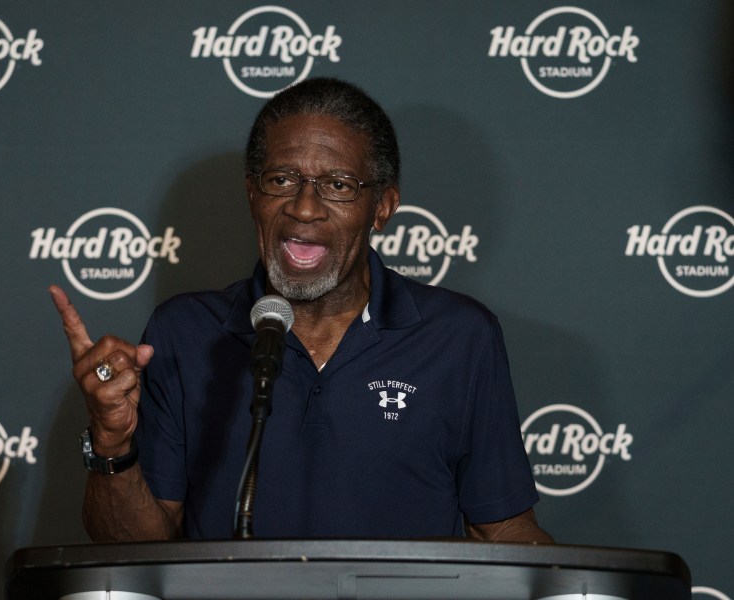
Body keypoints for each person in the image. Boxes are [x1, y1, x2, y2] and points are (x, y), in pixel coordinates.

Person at [50, 77, 552, 544]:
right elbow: (137, 552)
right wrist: (112, 444)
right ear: (252, 195)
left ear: (383, 206)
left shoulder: (459, 337)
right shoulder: (181, 333)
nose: (305, 207)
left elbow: (502, 528)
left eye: (338, 185)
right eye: (282, 180)